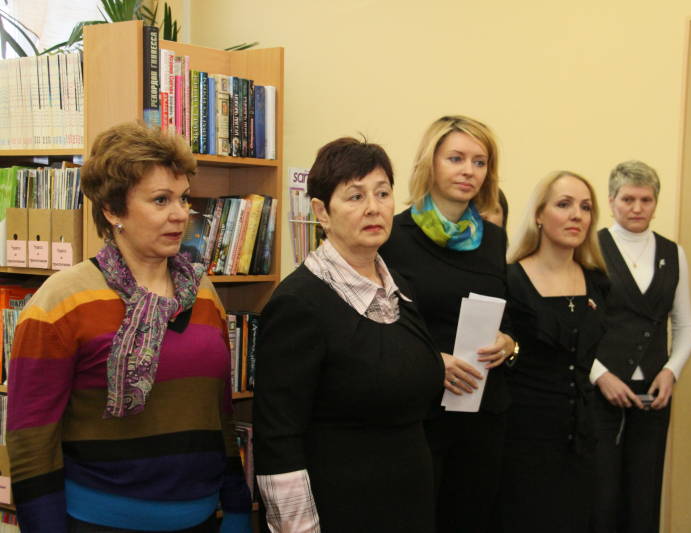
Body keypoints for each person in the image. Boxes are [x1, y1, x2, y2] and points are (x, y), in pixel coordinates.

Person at [6, 122, 252, 532]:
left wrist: (237, 508)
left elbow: (218, 413)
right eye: (160, 200)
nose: (180, 214)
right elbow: (32, 441)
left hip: (203, 519)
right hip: (98, 523)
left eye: (183, 198)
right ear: (112, 209)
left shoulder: (204, 293)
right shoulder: (61, 301)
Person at [253, 137, 443, 533]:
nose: (374, 207)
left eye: (382, 193)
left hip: (411, 504)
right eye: (355, 196)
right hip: (340, 510)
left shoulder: (401, 290)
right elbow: (278, 436)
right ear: (321, 211)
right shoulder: (299, 303)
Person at [380, 115, 515, 533]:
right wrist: (431, 361)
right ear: (431, 163)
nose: (468, 170)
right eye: (456, 158)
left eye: (479, 161)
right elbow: (380, 328)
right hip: (420, 414)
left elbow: (507, 314)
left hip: (482, 415)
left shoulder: (494, 239)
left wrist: (509, 342)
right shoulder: (393, 235)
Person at [501, 171, 609, 533]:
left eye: (585, 207)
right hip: (523, 440)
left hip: (582, 439)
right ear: (538, 214)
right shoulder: (510, 280)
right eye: (564, 204)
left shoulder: (598, 282)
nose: (577, 215)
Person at [590, 160, 691, 533]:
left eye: (646, 200)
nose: (637, 208)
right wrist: (600, 376)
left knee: (644, 494)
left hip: (653, 392)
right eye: (628, 199)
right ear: (611, 200)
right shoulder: (591, 248)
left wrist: (671, 371)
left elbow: (684, 325)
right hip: (601, 389)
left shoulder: (673, 253)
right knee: (601, 496)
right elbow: (579, 326)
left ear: (655, 202)